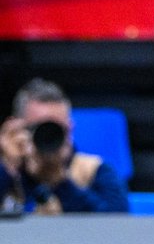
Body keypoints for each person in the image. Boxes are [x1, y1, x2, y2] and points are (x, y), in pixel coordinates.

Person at [0, 78, 130, 213]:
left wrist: (62, 183)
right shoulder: (8, 171)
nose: (47, 137)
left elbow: (116, 226)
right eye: (38, 128)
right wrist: (7, 169)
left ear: (70, 128)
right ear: (17, 129)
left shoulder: (96, 171)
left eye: (55, 129)